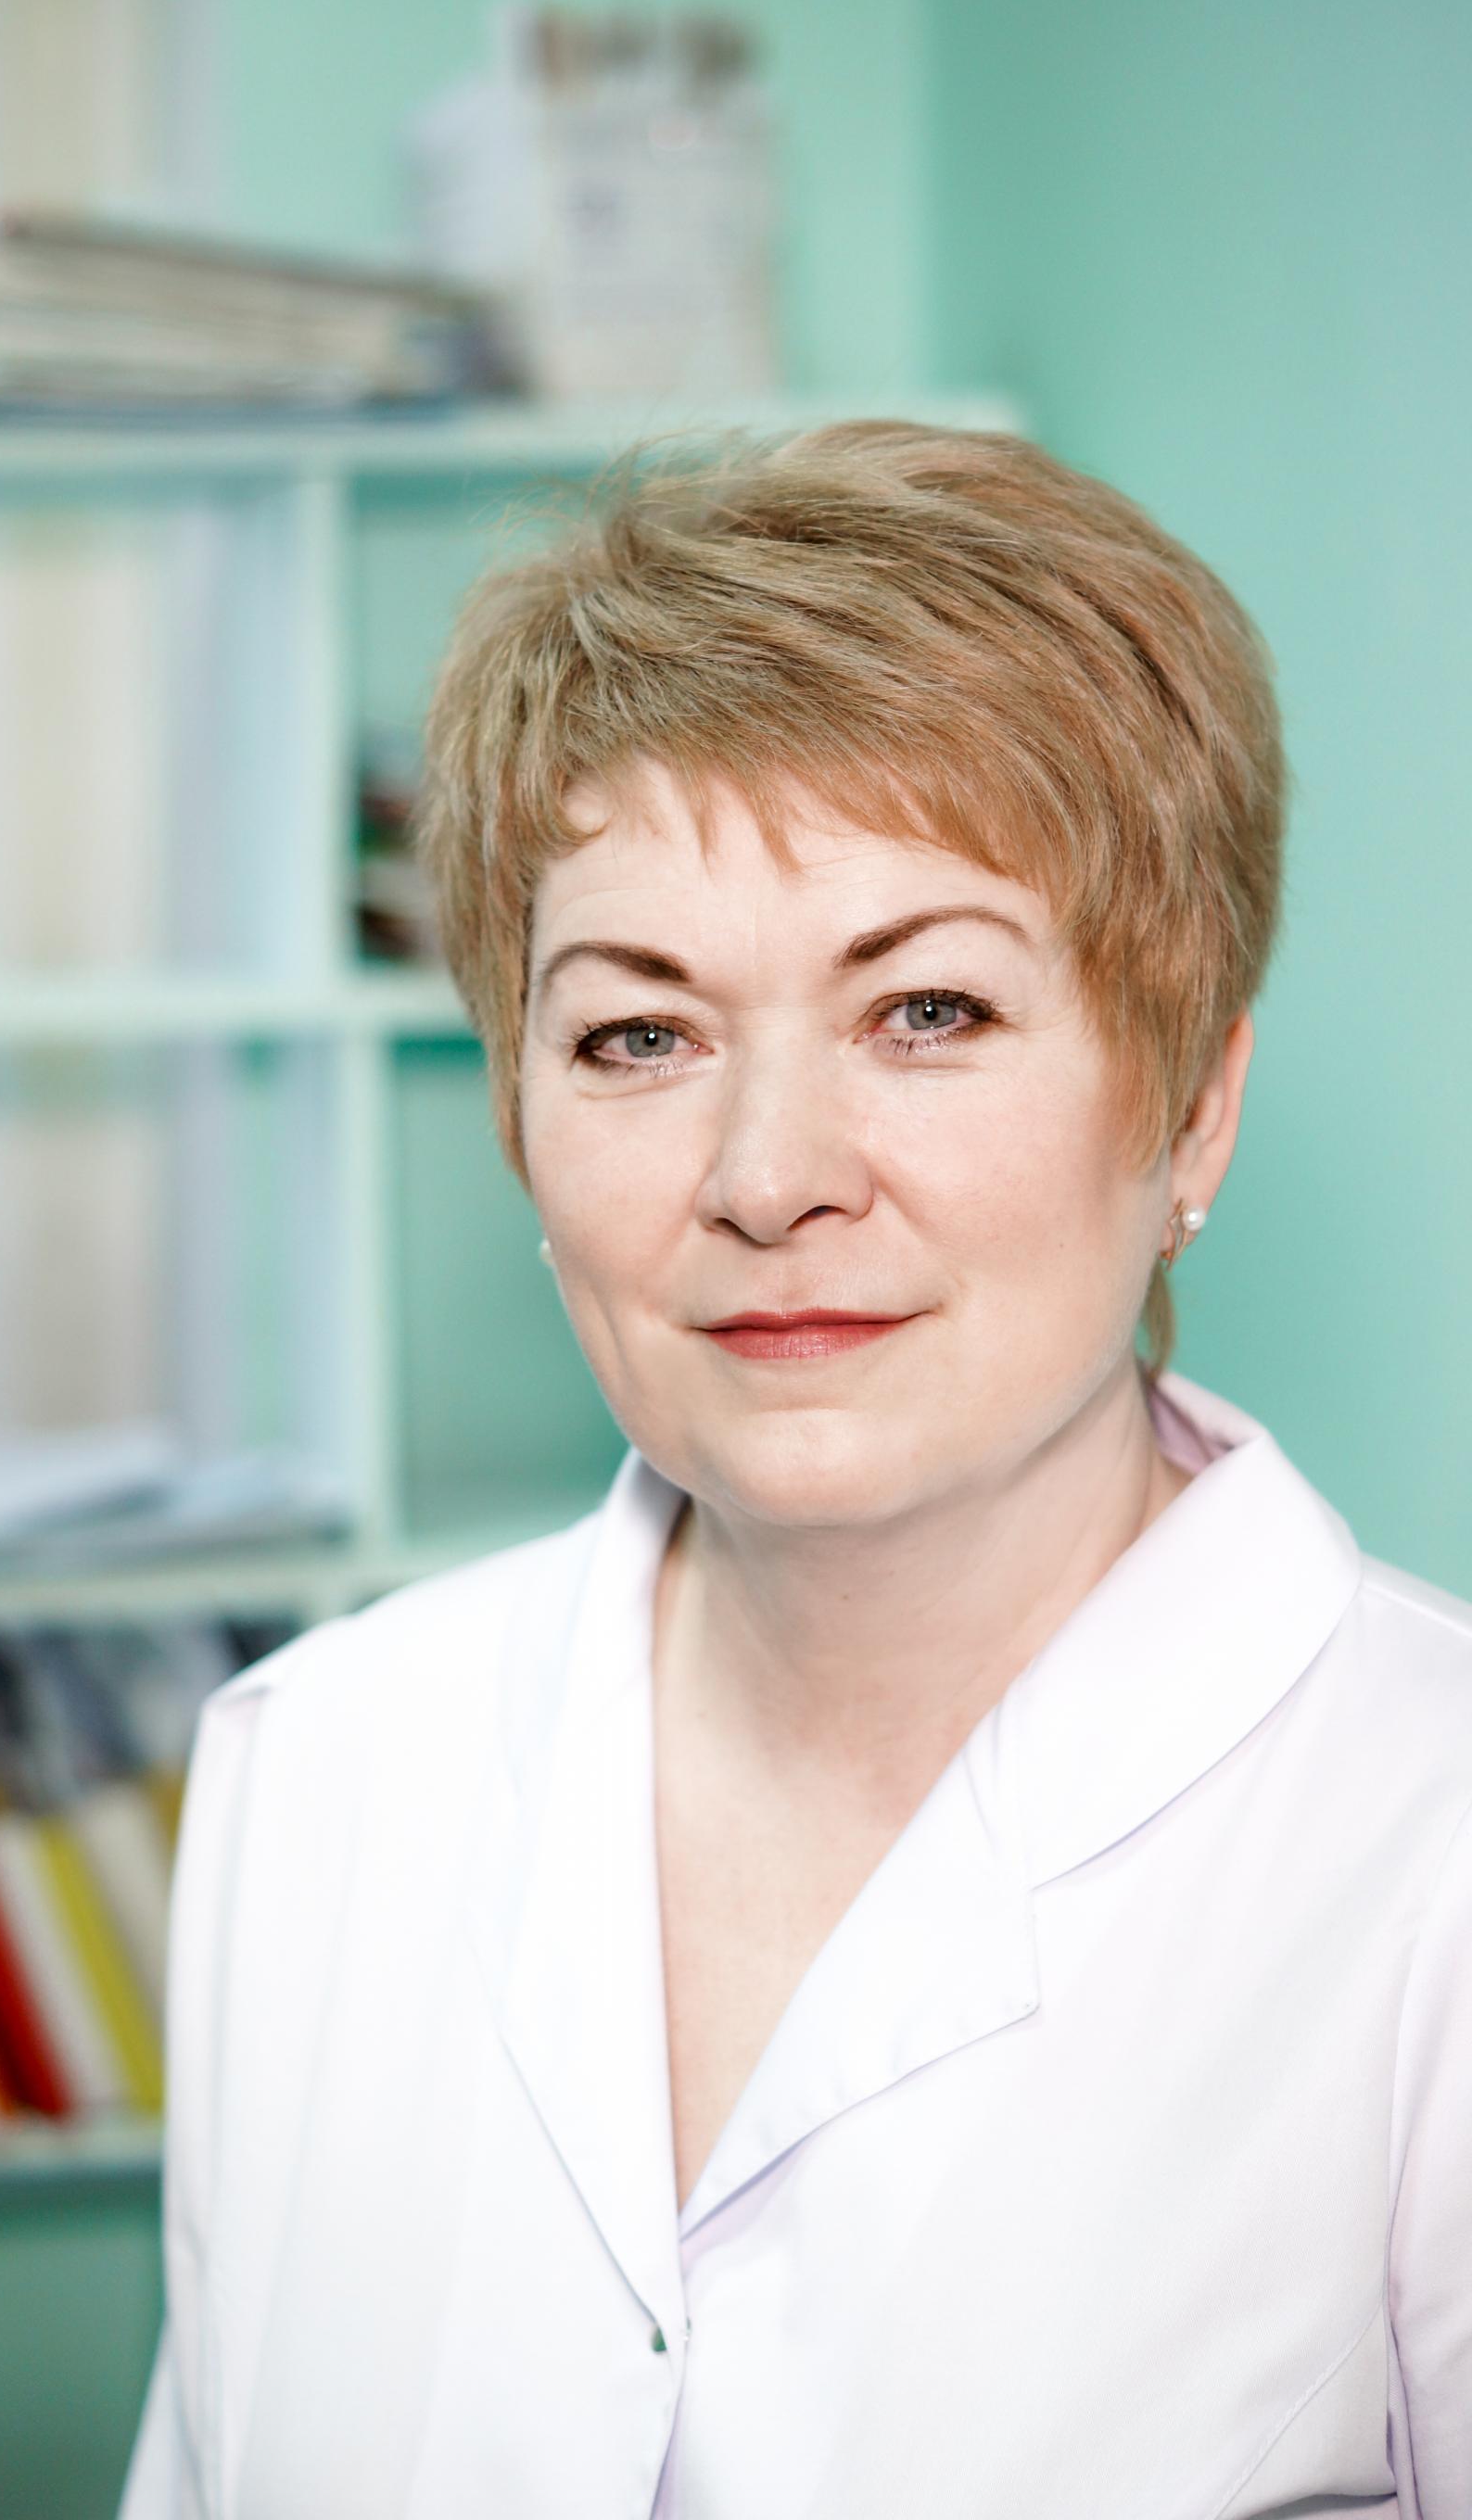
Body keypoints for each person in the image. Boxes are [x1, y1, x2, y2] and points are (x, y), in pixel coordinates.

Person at [120, 422, 1472, 2519]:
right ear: (516, 1122)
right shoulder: (319, 1771)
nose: (767, 1178)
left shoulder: (1431, 1849)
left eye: (926, 1010)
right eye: (638, 1036)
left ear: (1191, 1111)